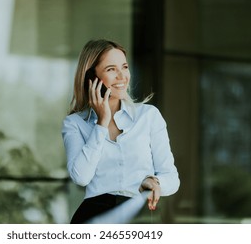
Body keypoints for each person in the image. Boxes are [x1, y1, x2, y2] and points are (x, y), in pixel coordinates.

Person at [61, 39, 180, 224]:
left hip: (138, 217)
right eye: (111, 69)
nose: (122, 76)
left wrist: (154, 182)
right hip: (93, 217)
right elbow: (81, 177)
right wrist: (101, 124)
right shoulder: (74, 124)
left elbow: (172, 178)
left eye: (124, 67)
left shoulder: (148, 116)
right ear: (91, 77)